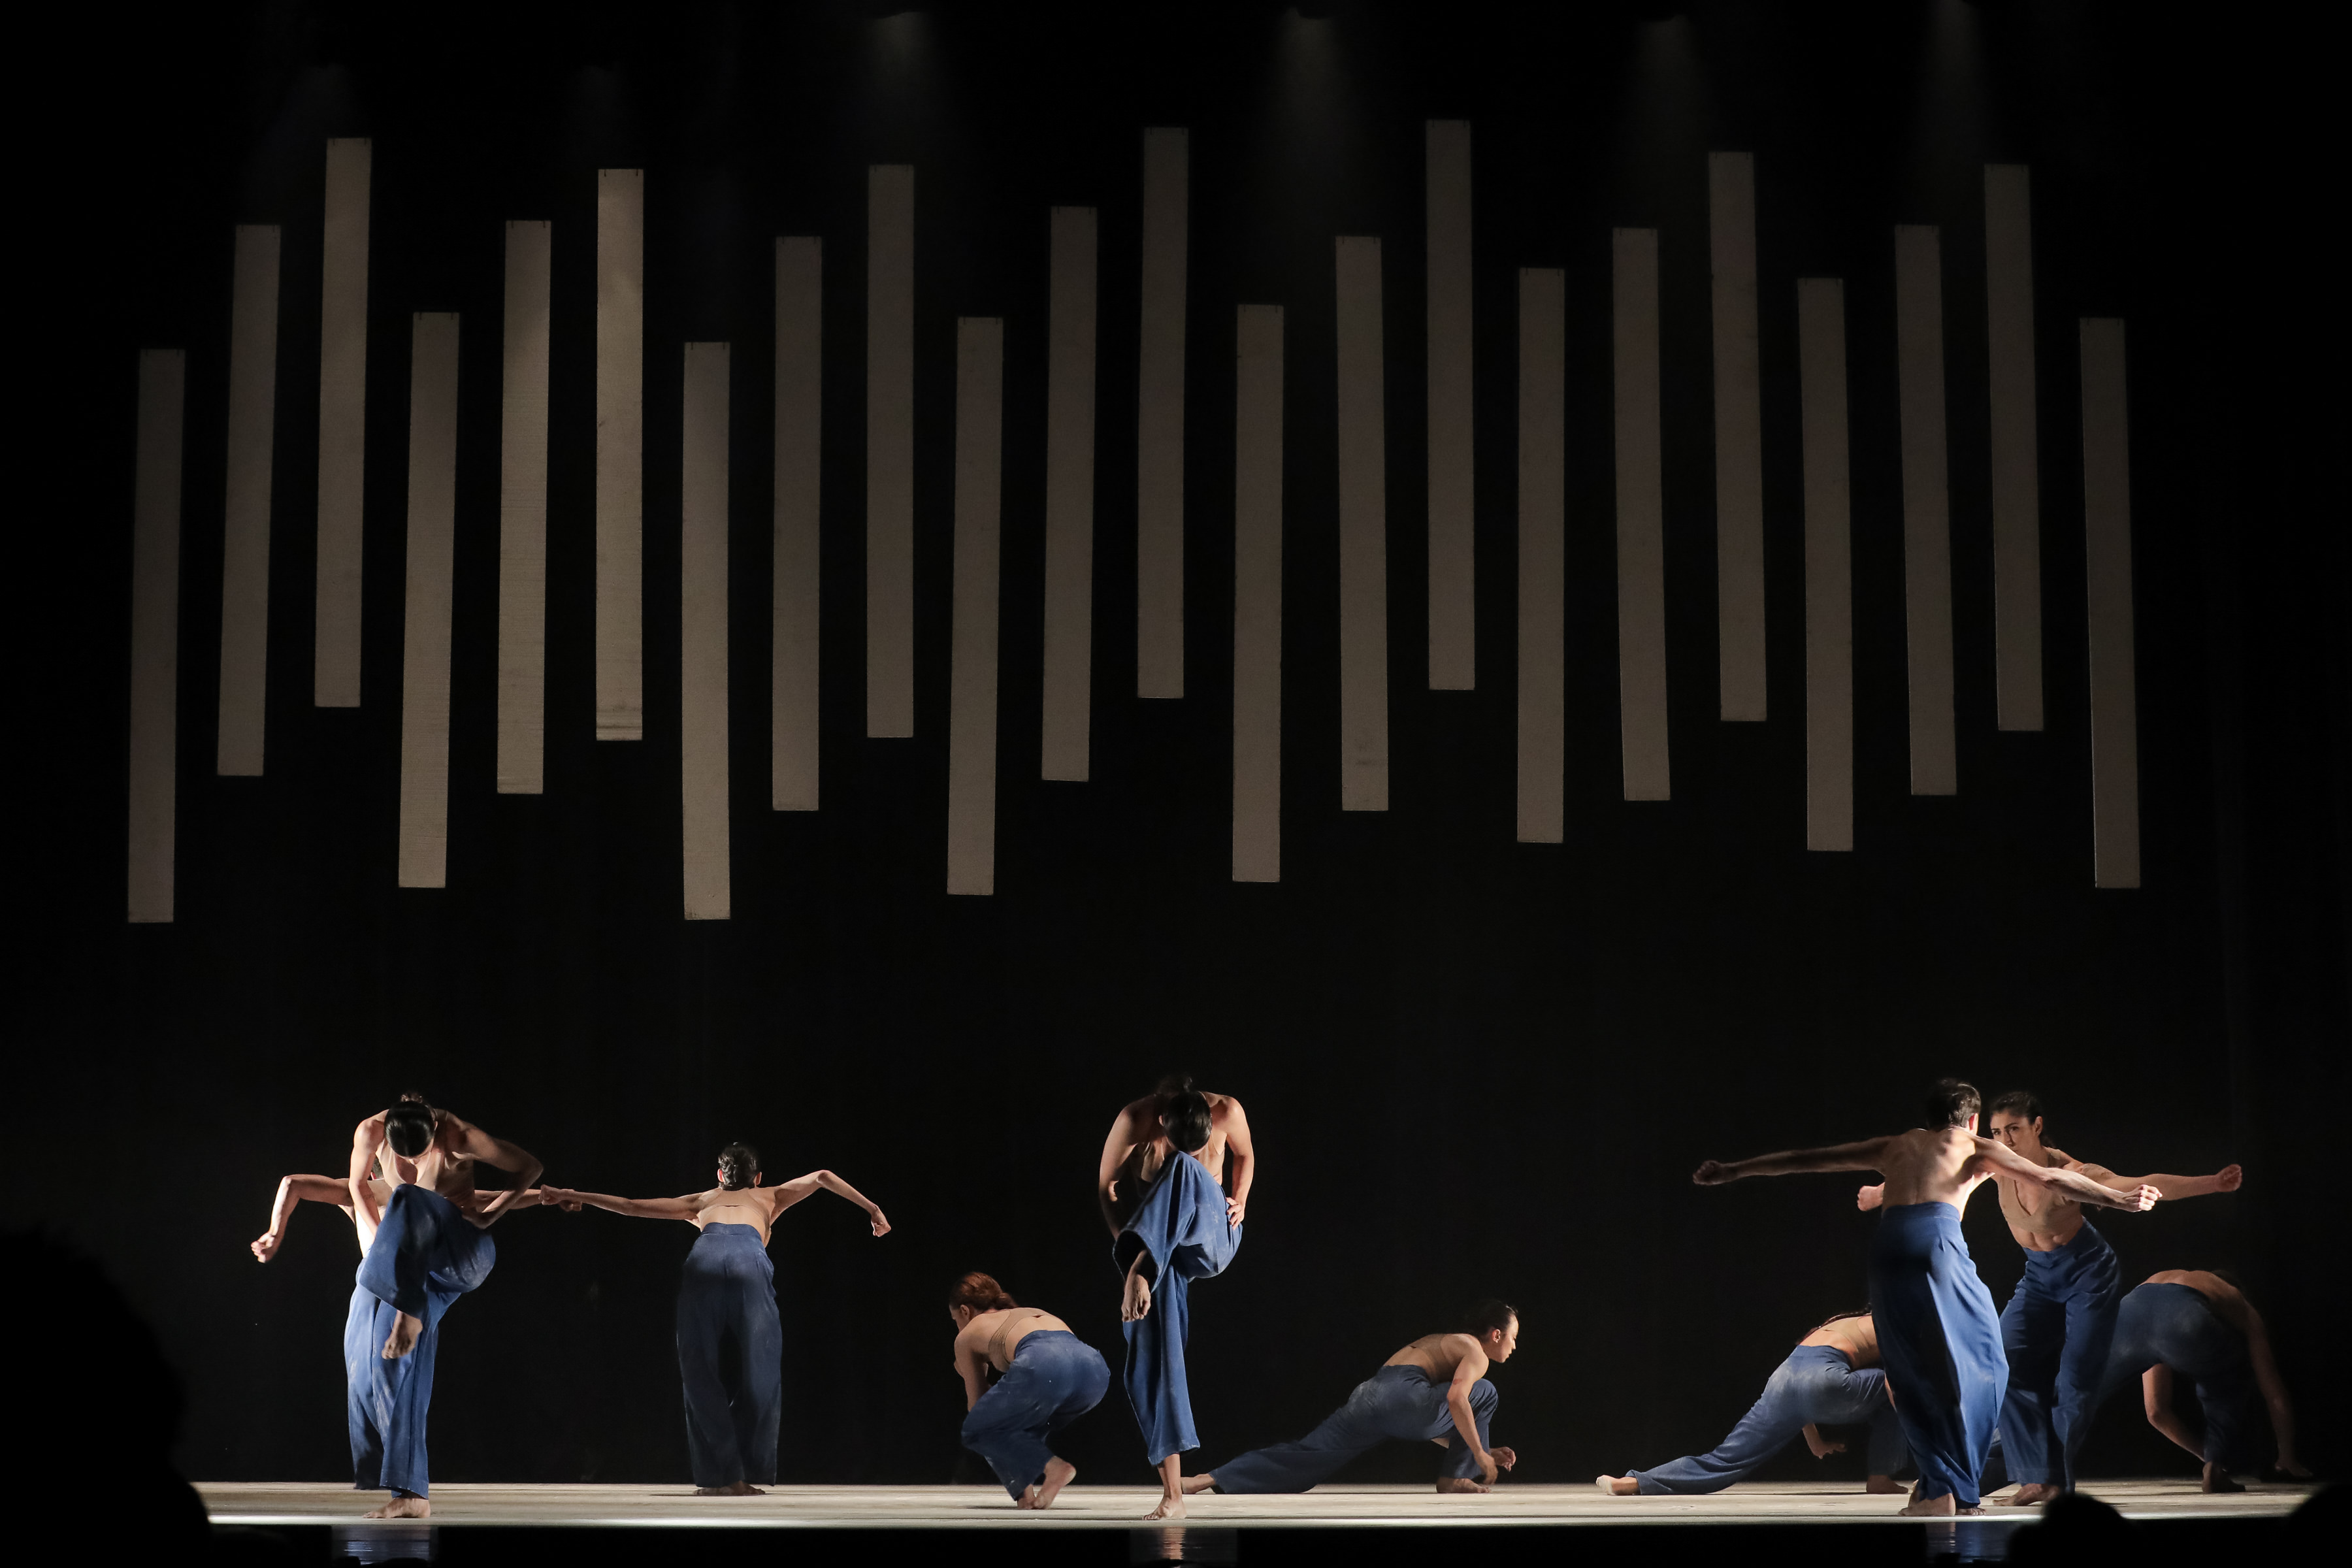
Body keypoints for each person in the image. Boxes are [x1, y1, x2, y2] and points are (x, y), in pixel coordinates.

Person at [1691, 1079, 2159, 1516]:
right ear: (1972, 1121)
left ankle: (1936, 1490)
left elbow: (1807, 1157)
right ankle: (1955, 1486)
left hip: (1888, 1251)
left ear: (1930, 1117)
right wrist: (2121, 1200)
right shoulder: (1974, 1146)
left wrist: (1734, 1170)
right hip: (1937, 1246)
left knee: (1909, 1371)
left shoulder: (1895, 1146)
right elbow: (2052, 1179)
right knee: (1990, 1363)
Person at [1861, 1091, 2243, 1504]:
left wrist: (2212, 1184)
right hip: (2039, 1276)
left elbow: (2134, 1183)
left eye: (2014, 1130)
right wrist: (1881, 1193)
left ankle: (2055, 1483)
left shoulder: (2068, 1171)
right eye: (1996, 1131)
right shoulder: (1996, 1164)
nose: (2004, 1140)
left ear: (2036, 1127)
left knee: (2074, 1382)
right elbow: (1935, 1170)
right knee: (2003, 1364)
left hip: (2089, 1272)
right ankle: (2036, 1477)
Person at [542, 1144, 889, 1495]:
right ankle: (739, 1473)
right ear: (757, 1178)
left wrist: (575, 1195)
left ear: (720, 1176)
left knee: (699, 1373)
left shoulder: (701, 1201)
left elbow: (630, 1205)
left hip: (704, 1261)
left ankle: (722, 1477)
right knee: (762, 1372)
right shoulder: (770, 1196)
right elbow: (823, 1177)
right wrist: (872, 1209)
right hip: (749, 1262)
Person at [343, 1096, 545, 1518]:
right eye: (403, 1156)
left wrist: (492, 1215)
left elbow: (530, 1167)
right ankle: (411, 1493)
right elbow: (356, 1186)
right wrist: (383, 1245)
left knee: (409, 1197)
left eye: (422, 1153)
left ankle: (407, 1310)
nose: (412, 1162)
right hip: (416, 1272)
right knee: (378, 1360)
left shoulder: (462, 1135)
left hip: (462, 1255)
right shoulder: (369, 1131)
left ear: (435, 1134)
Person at [1096, 1075, 1255, 1519]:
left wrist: (1240, 1199)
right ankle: (1173, 1495)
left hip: (1212, 1237)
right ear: (1162, 1118)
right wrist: (1132, 1257)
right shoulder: (1135, 1120)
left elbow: (1245, 1153)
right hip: (1162, 1251)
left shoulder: (1227, 1110)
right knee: (1153, 1356)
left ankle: (1143, 1269)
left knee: (1185, 1168)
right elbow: (1106, 1187)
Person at [1184, 1301, 1520, 1497]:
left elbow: (1426, 1420)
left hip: (1369, 1395)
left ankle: (1209, 1479)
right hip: (1403, 1394)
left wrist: (1482, 1448)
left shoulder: (1445, 1342)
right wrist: (1477, 1454)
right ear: (1496, 1334)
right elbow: (1456, 1399)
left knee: (1306, 1458)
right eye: (1513, 1338)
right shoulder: (1477, 1354)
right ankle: (1454, 1478)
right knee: (1485, 1392)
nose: (1514, 1346)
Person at [1596, 1311, 1906, 1495]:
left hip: (1782, 1379)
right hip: (1823, 1378)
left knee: (1723, 1460)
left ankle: (1632, 1484)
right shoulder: (1891, 1323)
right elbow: (1895, 1380)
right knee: (1907, 1386)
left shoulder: (1840, 1324)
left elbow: (1802, 1382)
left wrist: (1814, 1439)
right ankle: (1881, 1477)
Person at [2097, 1270, 2313, 1493]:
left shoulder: (2173, 1283)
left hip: (2130, 1309)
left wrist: (2205, 1454)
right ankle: (2216, 1470)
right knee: (2233, 1376)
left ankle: (2058, 1471)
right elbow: (2274, 1392)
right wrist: (2286, 1457)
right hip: (2183, 1315)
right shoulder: (2239, 1303)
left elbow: (2156, 1411)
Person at [947, 1272, 1111, 1509]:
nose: (958, 1326)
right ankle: (1026, 1498)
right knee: (1024, 1426)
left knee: (976, 1429)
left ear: (965, 1311)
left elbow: (978, 1409)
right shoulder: (1027, 1312)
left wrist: (966, 1373)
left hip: (1045, 1363)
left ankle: (1055, 1468)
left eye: (955, 1320)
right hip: (1095, 1371)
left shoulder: (968, 1334)